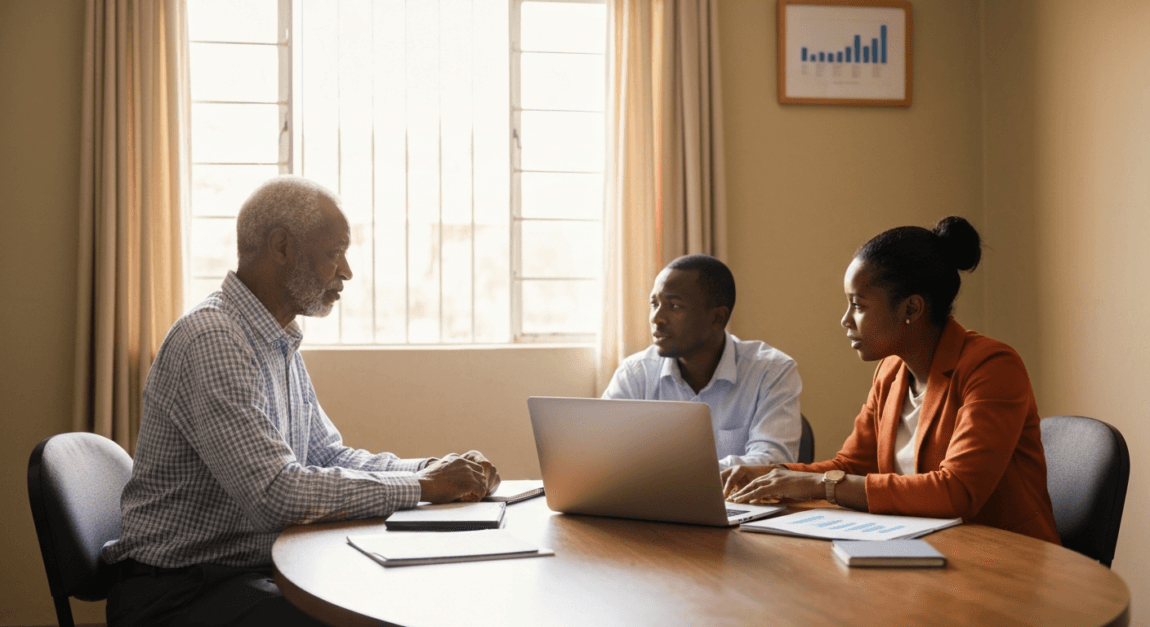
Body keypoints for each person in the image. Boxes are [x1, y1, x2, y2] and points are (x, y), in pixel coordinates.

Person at [101, 175, 502, 626]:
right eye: (334, 253)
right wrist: (427, 487)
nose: (346, 272)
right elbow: (276, 493)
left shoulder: (277, 339)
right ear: (281, 247)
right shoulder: (213, 338)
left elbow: (327, 454)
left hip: (238, 574)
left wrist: (432, 468)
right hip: (178, 593)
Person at [721, 217, 1060, 544]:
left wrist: (816, 485)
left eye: (858, 305)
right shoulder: (891, 372)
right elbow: (850, 466)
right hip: (927, 549)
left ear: (911, 309)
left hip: (1006, 562)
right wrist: (772, 473)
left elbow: (957, 492)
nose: (845, 320)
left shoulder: (992, 367)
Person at [602, 254, 803, 467]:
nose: (656, 318)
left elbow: (773, 463)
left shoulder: (771, 371)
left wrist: (673, 473)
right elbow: (599, 451)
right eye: (655, 304)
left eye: (674, 306)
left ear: (717, 318)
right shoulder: (635, 373)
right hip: (650, 500)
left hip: (734, 501)